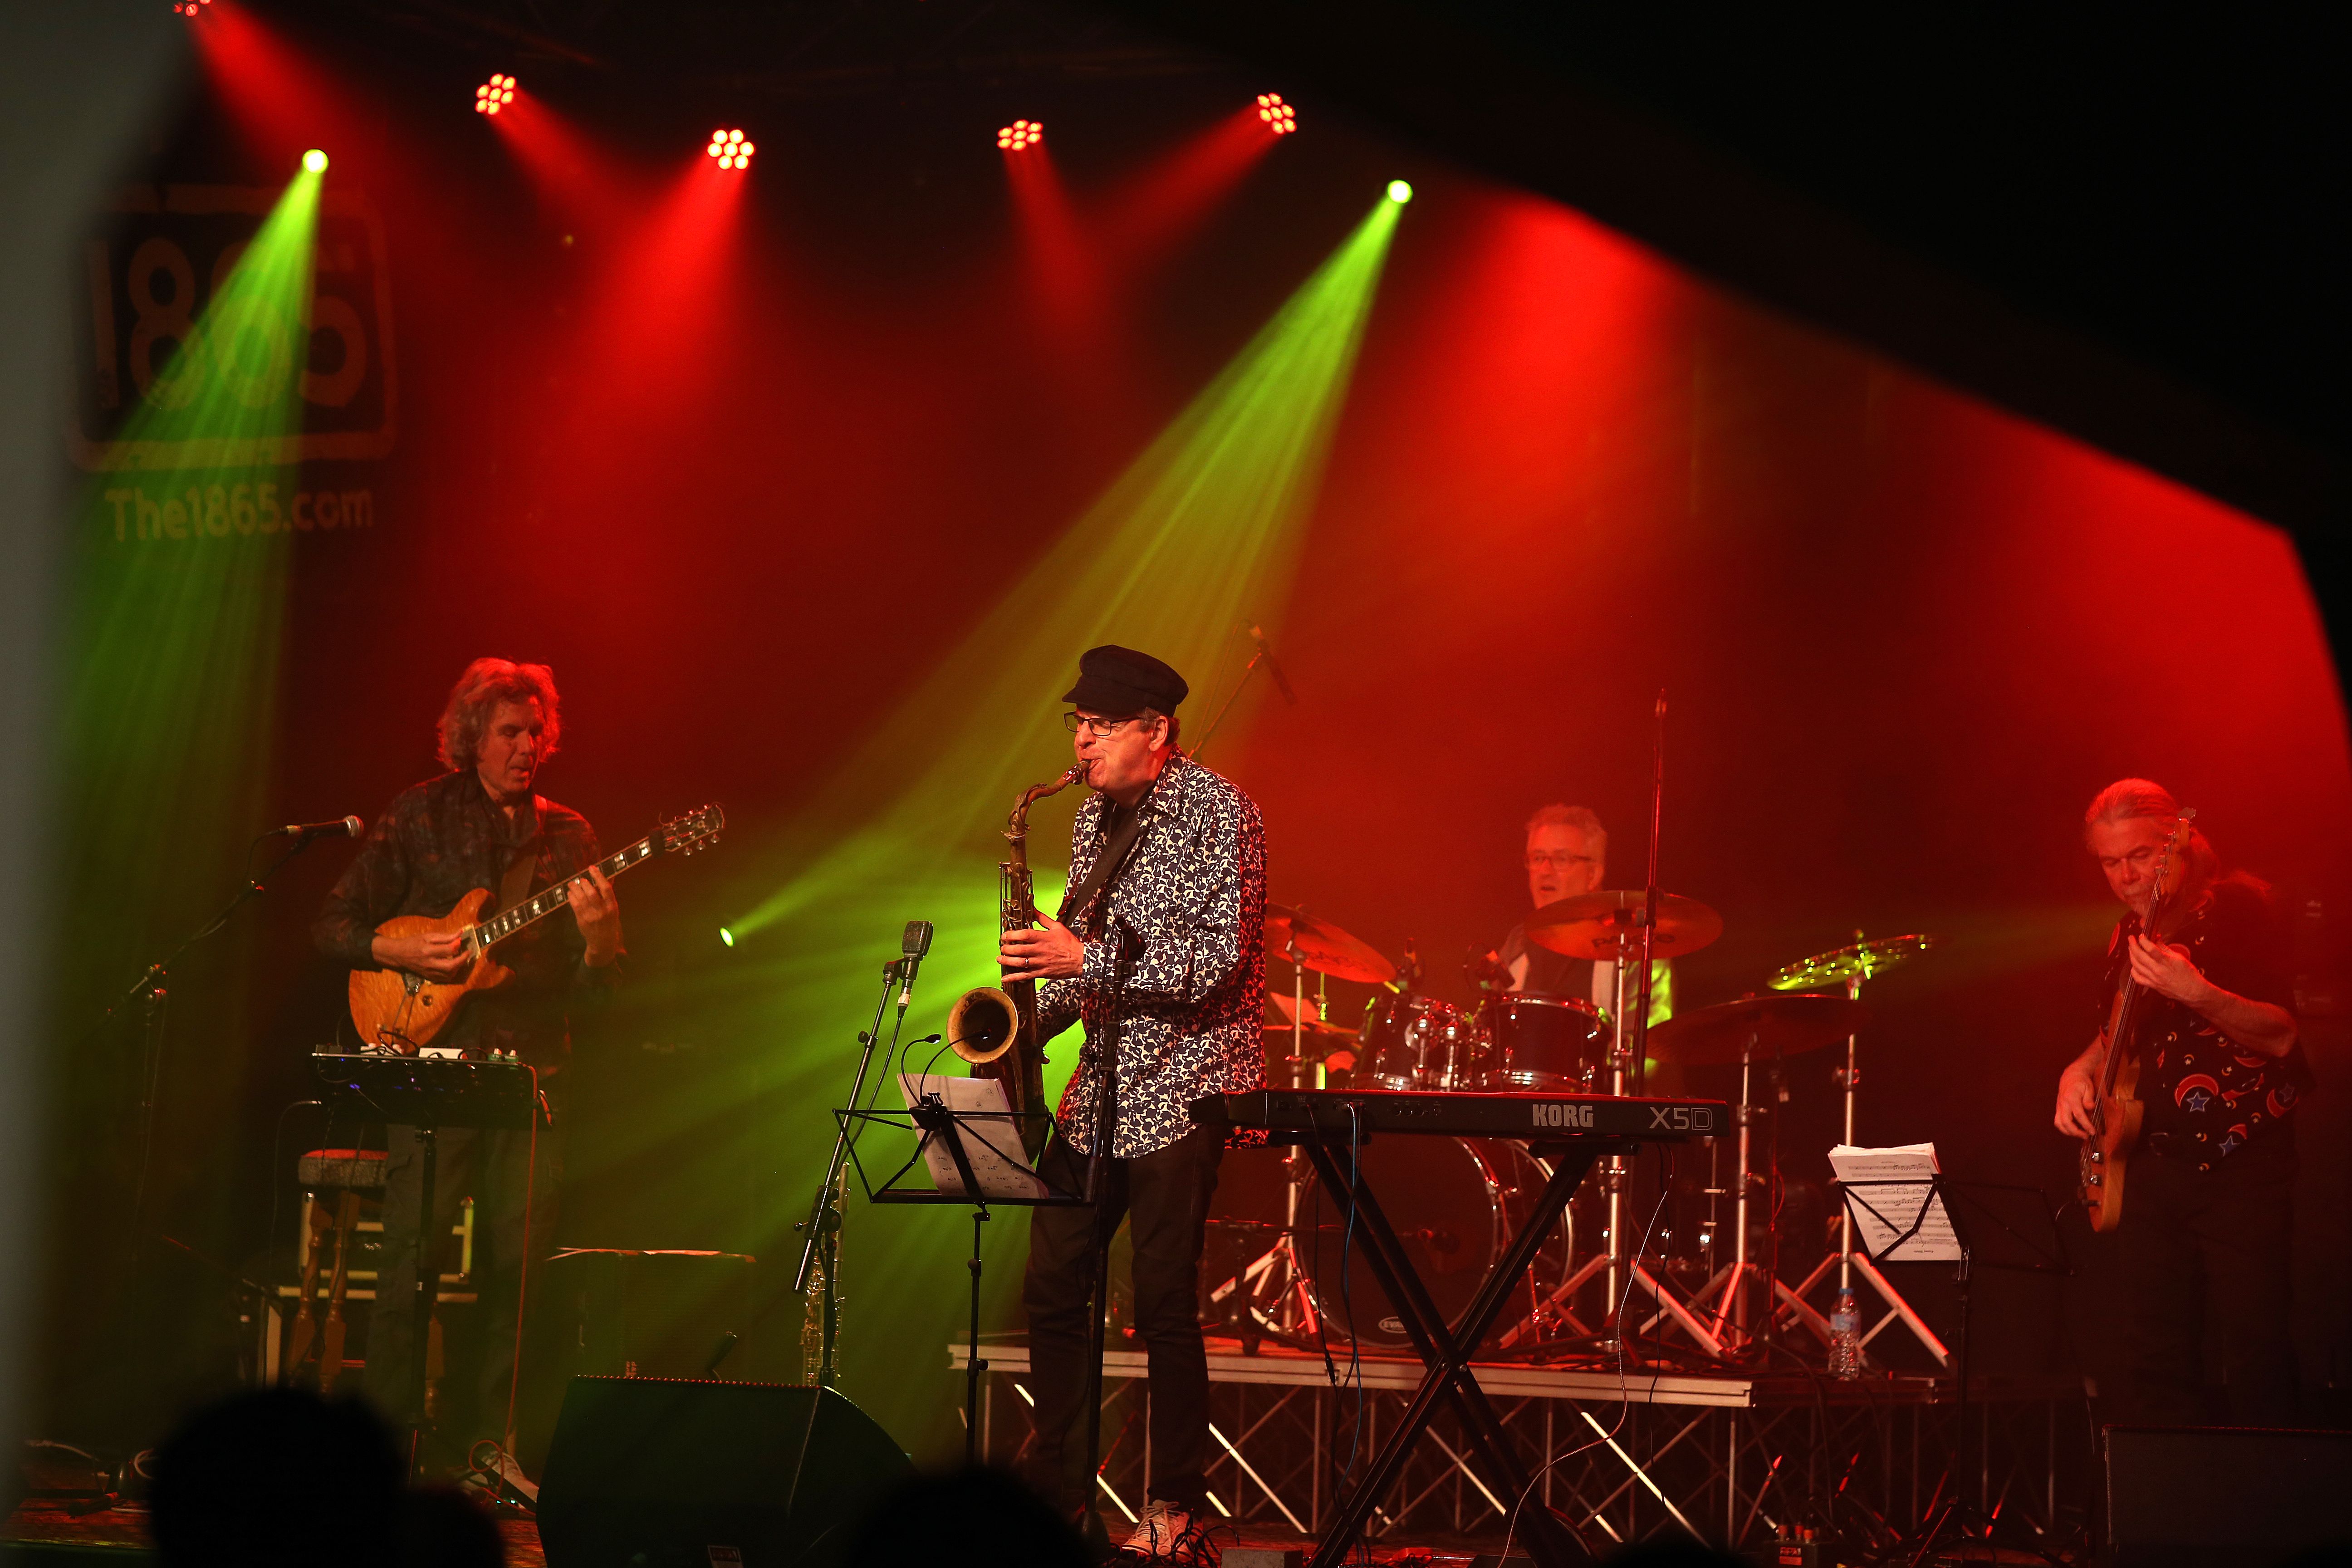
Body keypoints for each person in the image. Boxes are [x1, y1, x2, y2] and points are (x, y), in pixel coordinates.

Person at [314, 658, 622, 1463]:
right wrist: (396, 941)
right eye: (509, 732)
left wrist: (602, 946)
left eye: (535, 731)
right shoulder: (417, 816)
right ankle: (384, 1447)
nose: (527, 746)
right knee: (407, 1262)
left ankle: (494, 1443)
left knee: (517, 1275)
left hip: (528, 1080)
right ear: (471, 738)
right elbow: (334, 924)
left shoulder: (570, 836)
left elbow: (595, 999)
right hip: (430, 1069)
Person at [999, 645, 1266, 1568]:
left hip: (1186, 1078)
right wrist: (1023, 1022)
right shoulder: (1089, 820)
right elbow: (1076, 958)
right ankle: (1057, 1490)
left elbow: (1214, 961)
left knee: (1162, 1304)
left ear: (1157, 733)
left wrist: (1087, 965)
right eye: (1079, 723)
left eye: (1103, 724)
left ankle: (1173, 1505)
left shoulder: (1219, 812)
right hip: (1104, 1083)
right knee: (1052, 1282)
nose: (1082, 740)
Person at [2052, 779, 2308, 1425]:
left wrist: (2195, 991)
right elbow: (2118, 1029)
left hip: (2240, 1159)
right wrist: (2076, 1071)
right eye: (2110, 863)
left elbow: (2282, 1034)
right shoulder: (2128, 933)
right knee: (2154, 1357)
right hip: (2149, 1161)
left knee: (2256, 1350)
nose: (2126, 875)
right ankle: (2170, 1517)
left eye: (2139, 856)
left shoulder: (2241, 910)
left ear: (2180, 845)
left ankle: (2273, 1515)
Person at [1490, 804, 1671, 1025]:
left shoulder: (1635, 945)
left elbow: (1651, 1048)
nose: (1545, 871)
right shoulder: (1517, 947)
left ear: (1593, 875)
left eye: (1561, 859)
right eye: (1538, 858)